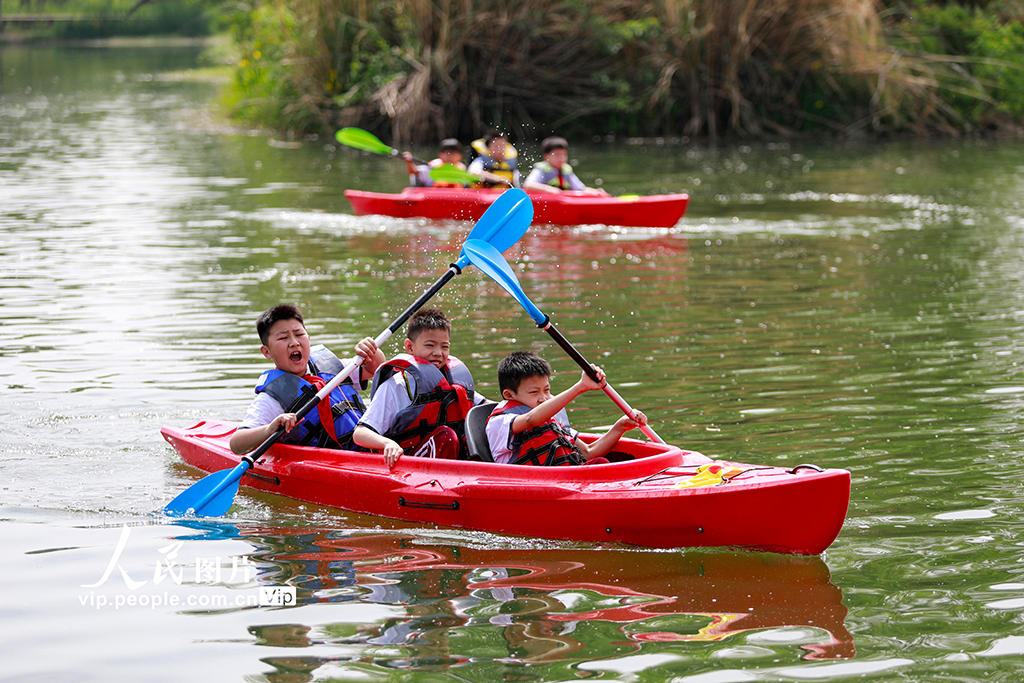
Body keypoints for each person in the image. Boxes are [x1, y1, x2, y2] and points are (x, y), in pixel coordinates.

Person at [230, 304, 386, 455]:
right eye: (283, 338)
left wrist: (371, 350)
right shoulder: (271, 399)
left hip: (374, 444)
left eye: (299, 335)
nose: (294, 342)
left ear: (308, 338)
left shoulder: (333, 367)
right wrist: (269, 429)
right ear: (267, 351)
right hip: (331, 462)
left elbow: (374, 369)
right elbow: (237, 443)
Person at [353, 308, 488, 468]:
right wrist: (387, 444)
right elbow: (360, 433)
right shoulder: (396, 386)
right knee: (448, 437)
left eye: (444, 347)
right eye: (430, 345)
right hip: (408, 467)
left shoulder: (453, 382)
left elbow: (485, 409)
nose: (438, 353)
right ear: (409, 347)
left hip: (451, 463)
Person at [486, 351, 646, 466]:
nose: (543, 398)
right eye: (534, 392)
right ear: (509, 395)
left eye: (547, 390)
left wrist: (620, 427)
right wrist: (580, 387)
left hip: (568, 479)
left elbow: (589, 452)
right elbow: (531, 419)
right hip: (534, 484)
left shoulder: (550, 419)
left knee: (601, 463)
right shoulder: (501, 422)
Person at [523, 136, 608, 195]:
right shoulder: (541, 170)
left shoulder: (566, 170)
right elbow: (528, 185)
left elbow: (581, 189)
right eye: (557, 155)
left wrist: (596, 192)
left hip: (562, 200)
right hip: (548, 202)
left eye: (564, 155)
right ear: (546, 157)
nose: (561, 158)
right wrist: (548, 189)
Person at [401, 138, 468, 188]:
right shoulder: (431, 167)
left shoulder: (464, 170)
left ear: (460, 156)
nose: (450, 156)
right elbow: (414, 172)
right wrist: (409, 162)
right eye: (447, 153)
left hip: (456, 199)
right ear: (440, 155)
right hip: (432, 198)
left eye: (453, 153)